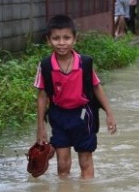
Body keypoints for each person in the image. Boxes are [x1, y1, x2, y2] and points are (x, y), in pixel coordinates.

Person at [34, 14, 117, 179]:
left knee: (85, 161)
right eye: (56, 38)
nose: (62, 43)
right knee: (62, 164)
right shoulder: (45, 66)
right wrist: (41, 127)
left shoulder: (84, 64)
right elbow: (42, 96)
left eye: (66, 38)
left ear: (75, 39)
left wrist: (109, 114)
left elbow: (96, 88)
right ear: (48, 40)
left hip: (84, 115)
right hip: (58, 116)